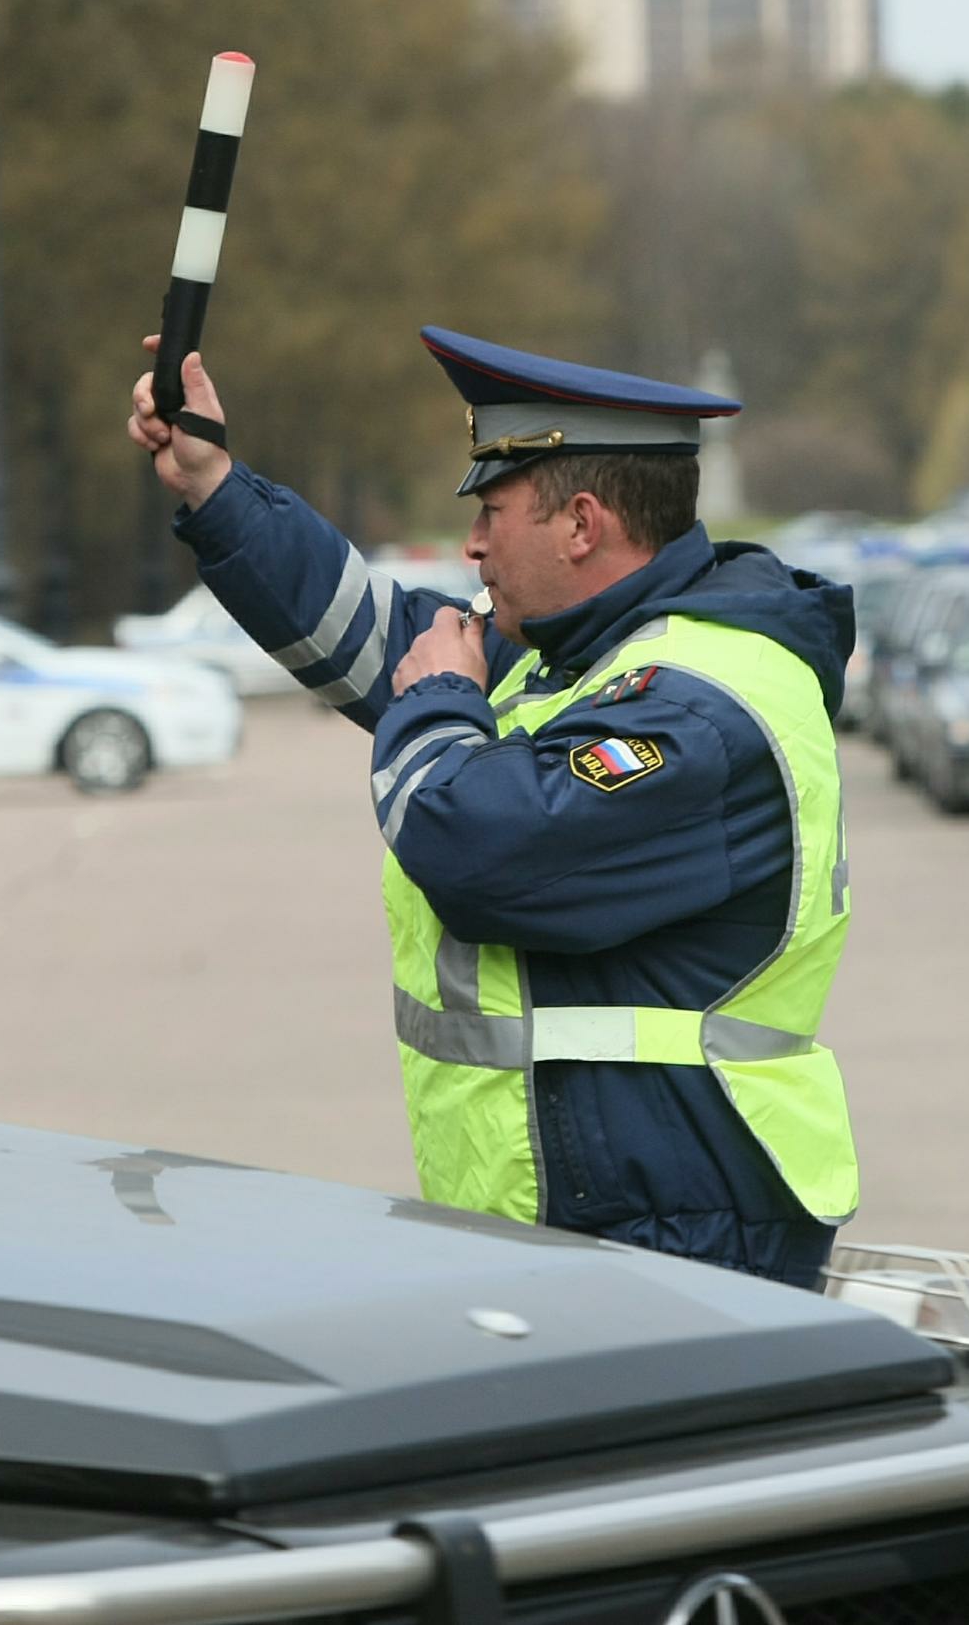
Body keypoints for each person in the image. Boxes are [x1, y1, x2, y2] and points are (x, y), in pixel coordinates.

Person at [127, 326, 859, 1287]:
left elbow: (477, 849)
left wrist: (436, 704)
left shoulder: (691, 709)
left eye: (494, 510)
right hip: (596, 1227)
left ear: (582, 523)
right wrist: (216, 485)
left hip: (673, 1242)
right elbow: (372, 631)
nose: (471, 544)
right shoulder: (593, 660)